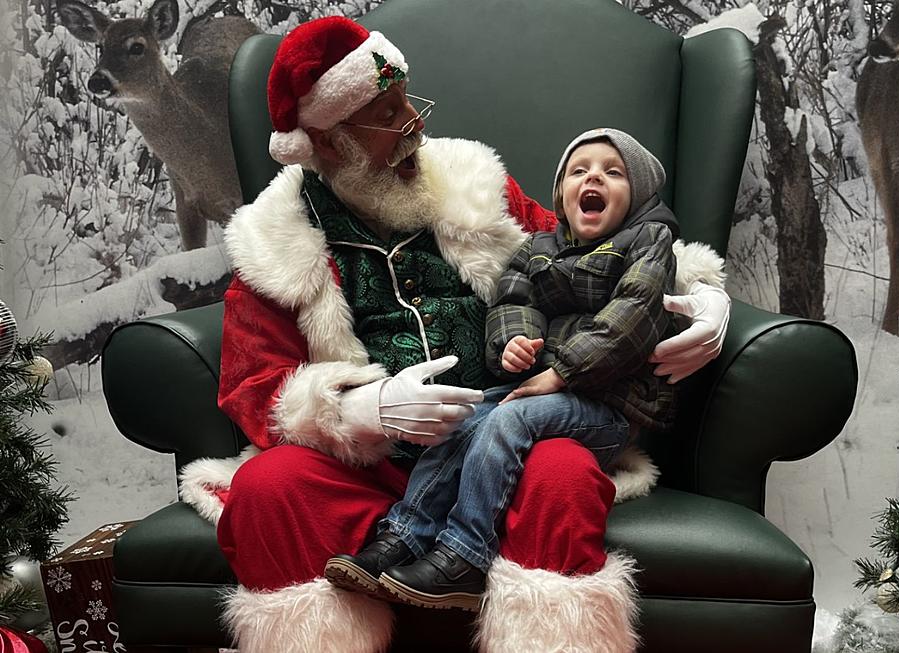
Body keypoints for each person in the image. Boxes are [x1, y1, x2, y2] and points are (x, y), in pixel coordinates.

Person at [176, 16, 731, 653]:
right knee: (267, 489)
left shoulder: (472, 188)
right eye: (388, 113)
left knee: (562, 474)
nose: (414, 121)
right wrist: (361, 411)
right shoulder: (274, 243)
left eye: (409, 99)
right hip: (371, 472)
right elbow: (253, 386)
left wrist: (701, 295)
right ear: (330, 143)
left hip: (506, 445)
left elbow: (588, 257)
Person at [323, 128, 680, 612]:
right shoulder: (541, 246)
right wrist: (513, 343)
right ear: (562, 195)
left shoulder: (649, 239)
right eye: (579, 171)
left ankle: (465, 555)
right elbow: (514, 298)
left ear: (636, 195)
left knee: (510, 418)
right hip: (545, 390)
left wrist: (563, 373)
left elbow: (634, 316)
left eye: (613, 173)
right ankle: (406, 534)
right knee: (465, 417)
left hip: (608, 404)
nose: (593, 177)